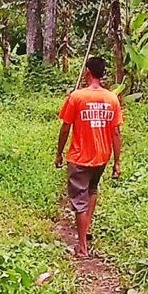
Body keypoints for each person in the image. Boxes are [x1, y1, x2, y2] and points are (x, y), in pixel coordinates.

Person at [55, 56, 122, 257]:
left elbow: (65, 126)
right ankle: (86, 228)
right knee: (92, 189)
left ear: (87, 72)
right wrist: (117, 162)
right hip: (102, 156)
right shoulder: (112, 98)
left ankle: (82, 246)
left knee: (79, 200)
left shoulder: (76, 97)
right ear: (102, 74)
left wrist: (59, 153)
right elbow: (116, 132)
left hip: (79, 157)